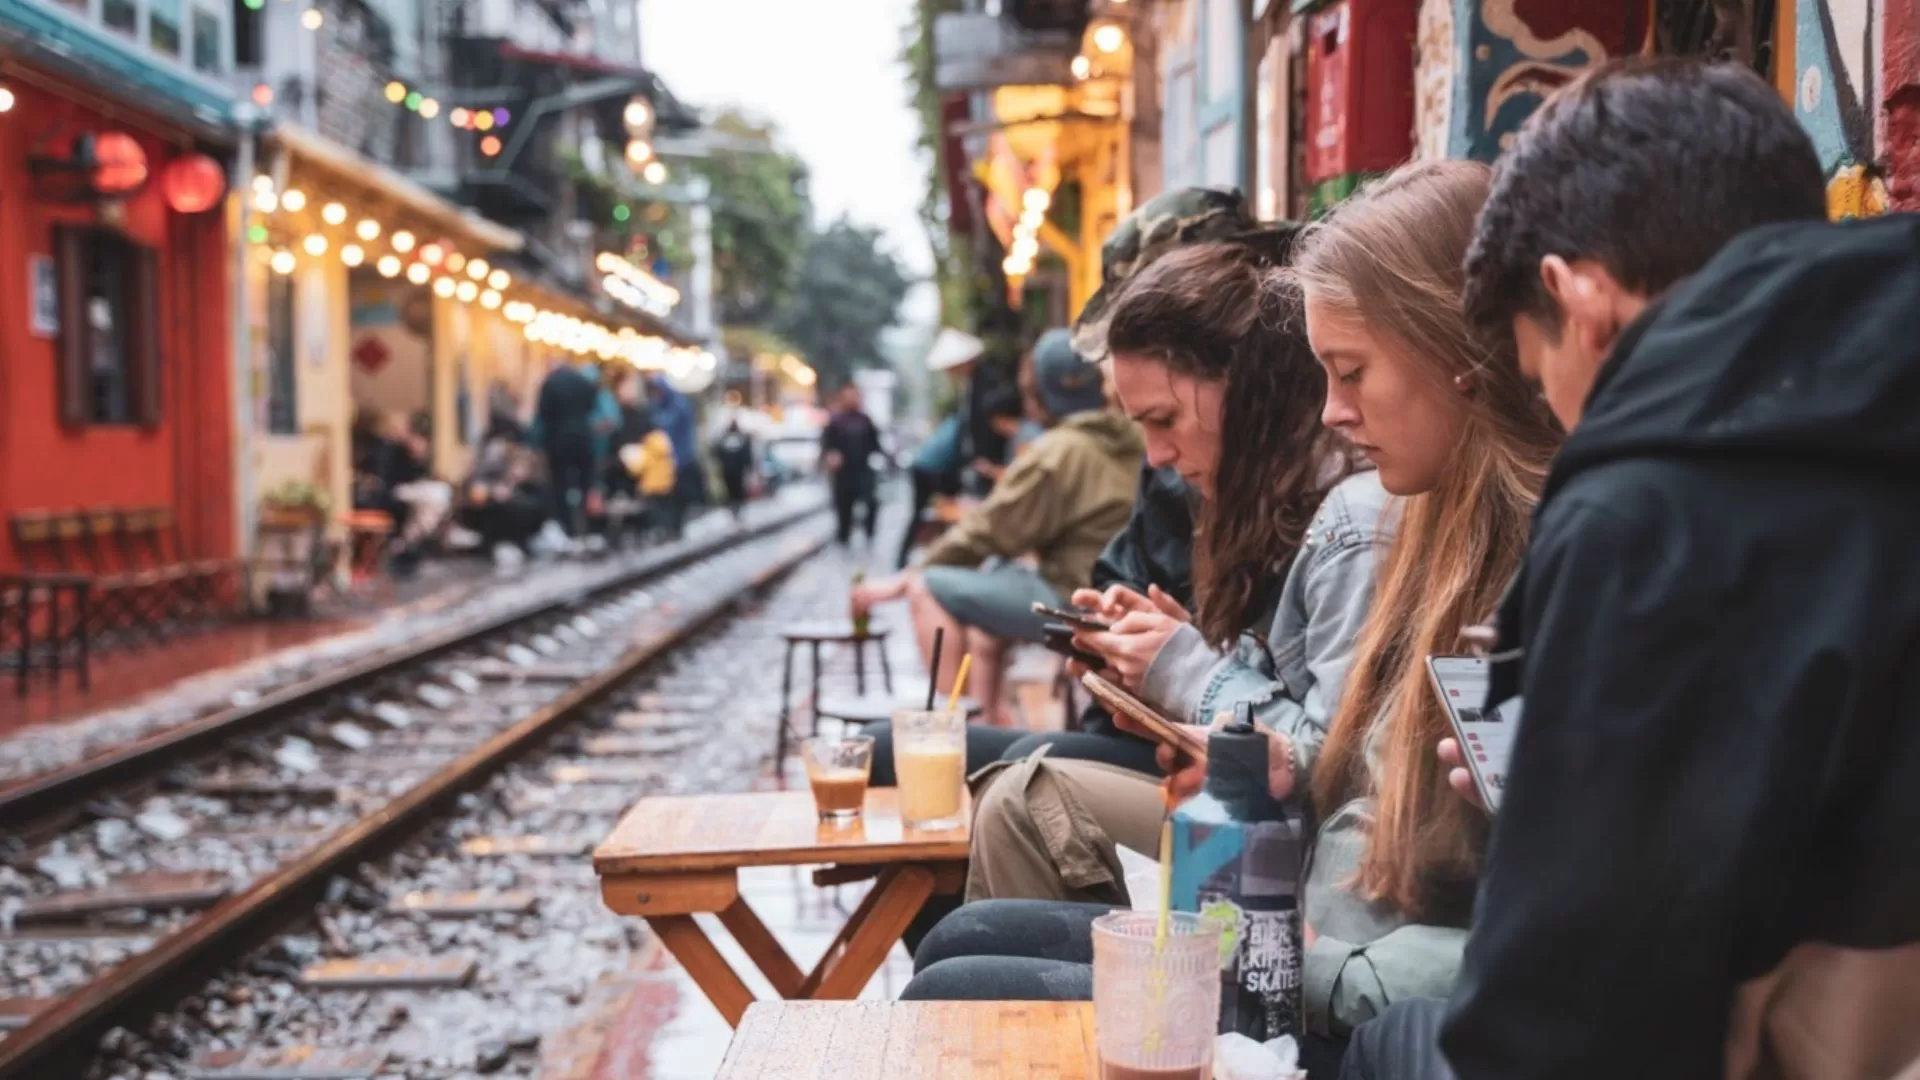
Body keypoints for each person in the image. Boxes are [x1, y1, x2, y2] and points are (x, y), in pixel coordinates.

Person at [903, 163, 1563, 1068]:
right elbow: (1353, 792)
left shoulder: (1433, 531)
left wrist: (1199, 680)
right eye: (1325, 375)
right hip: (1318, 936)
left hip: (1347, 975)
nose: (1335, 409)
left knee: (975, 931)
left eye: (1353, 372)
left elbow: (1538, 936)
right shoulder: (1424, 520)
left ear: (1457, 348)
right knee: (959, 944)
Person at [1340, 61, 1918, 1080]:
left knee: (1393, 1042)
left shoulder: (1639, 511)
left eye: (1540, 379)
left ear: (1580, 298)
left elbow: (1561, 1019)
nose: (1561, 421)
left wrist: (1549, 803)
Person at [853, 329, 1142, 726]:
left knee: (928, 589)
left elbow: (990, 531)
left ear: (1040, 392)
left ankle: (957, 730)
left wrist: (908, 575)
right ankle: (992, 722)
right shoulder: (1134, 437)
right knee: (987, 627)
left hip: (1073, 597)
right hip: (1124, 596)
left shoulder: (1056, 452)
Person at [532, 359, 601, 537]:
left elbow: (542, 414)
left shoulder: (550, 384)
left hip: (558, 440)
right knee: (587, 482)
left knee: (560, 485)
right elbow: (592, 406)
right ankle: (591, 526)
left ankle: (567, 527)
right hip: (584, 438)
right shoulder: (584, 383)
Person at [897, 412, 966, 569]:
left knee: (919, 514)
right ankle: (943, 557)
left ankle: (902, 558)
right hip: (932, 469)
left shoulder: (952, 421)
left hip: (922, 466)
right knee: (945, 513)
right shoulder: (964, 427)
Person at [820, 382, 885, 545]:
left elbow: (876, 444)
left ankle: (869, 532)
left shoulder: (865, 420)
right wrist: (830, 455)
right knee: (843, 507)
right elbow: (826, 444)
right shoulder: (835, 421)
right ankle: (843, 536)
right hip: (843, 472)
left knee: (871, 501)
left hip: (862, 469)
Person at [712, 418, 755, 520]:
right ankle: (737, 511)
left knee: (732, 492)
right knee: (738, 491)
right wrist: (748, 467)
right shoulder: (742, 439)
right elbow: (747, 456)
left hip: (728, 471)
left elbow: (717, 454)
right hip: (737, 471)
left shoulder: (724, 440)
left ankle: (735, 510)